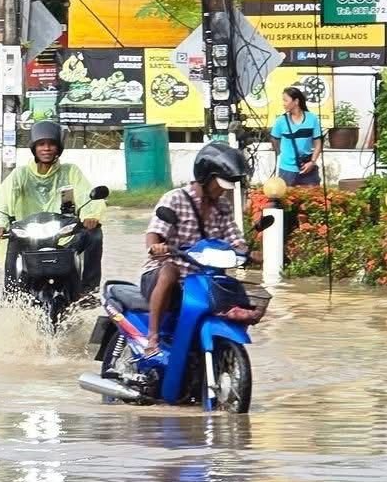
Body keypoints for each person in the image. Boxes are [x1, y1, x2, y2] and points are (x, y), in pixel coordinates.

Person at [138, 141, 252, 357]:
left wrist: (247, 252)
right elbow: (154, 231)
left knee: (235, 288)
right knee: (169, 271)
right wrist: (156, 247)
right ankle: (152, 337)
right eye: (219, 185)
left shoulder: (223, 207)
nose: (222, 191)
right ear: (206, 177)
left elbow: (235, 238)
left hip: (203, 279)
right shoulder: (175, 198)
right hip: (164, 273)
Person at [0, 120, 106, 294]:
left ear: (58, 148)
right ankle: (11, 295)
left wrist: (91, 216)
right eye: (41, 144)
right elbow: (1, 201)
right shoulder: (21, 174)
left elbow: (85, 194)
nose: (46, 148)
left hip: (63, 234)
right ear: (34, 148)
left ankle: (88, 291)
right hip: (27, 235)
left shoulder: (70, 171)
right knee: (12, 241)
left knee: (94, 235)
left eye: (51, 144)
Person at [270, 86, 323, 187]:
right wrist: (281, 154)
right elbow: (274, 139)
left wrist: (312, 162)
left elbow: (318, 143)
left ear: (296, 101)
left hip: (308, 167)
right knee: (288, 199)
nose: (283, 104)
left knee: (312, 198)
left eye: (286, 100)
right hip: (287, 170)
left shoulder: (312, 119)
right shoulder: (280, 121)